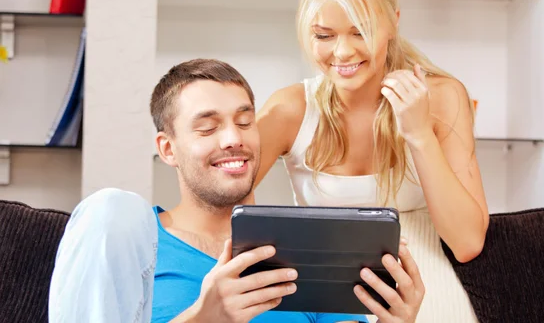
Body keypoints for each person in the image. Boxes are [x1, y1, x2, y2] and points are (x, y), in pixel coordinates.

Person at [48, 58, 425, 323]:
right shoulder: (129, 240)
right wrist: (205, 318)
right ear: (167, 148)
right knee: (111, 206)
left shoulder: (309, 243)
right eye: (208, 128)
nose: (234, 139)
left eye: (245, 122)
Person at [255, 0, 489, 322]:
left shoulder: (443, 98)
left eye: (359, 31)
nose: (342, 52)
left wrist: (418, 134)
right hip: (325, 312)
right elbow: (221, 202)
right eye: (324, 35)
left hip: (431, 303)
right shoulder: (290, 110)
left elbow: (466, 243)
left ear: (393, 21)